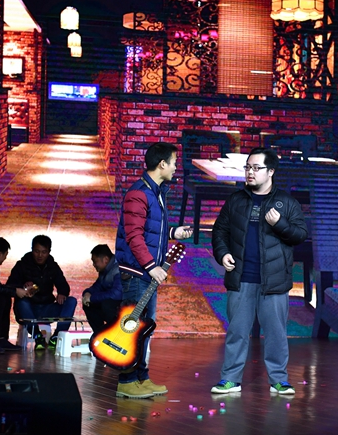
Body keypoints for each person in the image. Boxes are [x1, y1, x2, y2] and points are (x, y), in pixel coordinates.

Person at [210, 147, 308, 395]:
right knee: (237, 332)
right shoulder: (236, 200)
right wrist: (223, 254)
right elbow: (220, 231)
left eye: (256, 168)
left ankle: (279, 380)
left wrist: (279, 223)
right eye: (247, 167)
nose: (250, 172)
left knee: (276, 334)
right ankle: (230, 379)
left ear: (271, 171)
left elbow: (300, 235)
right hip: (241, 277)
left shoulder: (287, 203)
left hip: (274, 280)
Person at [115, 142, 193, 399]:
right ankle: (127, 381)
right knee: (132, 328)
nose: (175, 168)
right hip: (137, 272)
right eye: (173, 163)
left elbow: (151, 229)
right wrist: (152, 267)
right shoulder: (139, 194)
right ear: (162, 164)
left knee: (145, 328)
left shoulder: (155, 192)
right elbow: (134, 236)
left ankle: (141, 377)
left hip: (145, 273)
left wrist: (173, 232)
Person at [6, 234, 76, 350]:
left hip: (47, 307)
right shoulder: (21, 265)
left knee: (71, 301)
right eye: (37, 251)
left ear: (49, 252)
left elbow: (63, 285)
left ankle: (57, 336)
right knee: (22, 303)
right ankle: (37, 336)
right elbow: (10, 286)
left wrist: (62, 293)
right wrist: (23, 286)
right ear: (32, 250)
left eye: (43, 252)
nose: (40, 255)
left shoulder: (53, 266)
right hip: (28, 308)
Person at [82, 244, 123, 334]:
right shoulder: (105, 270)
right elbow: (97, 286)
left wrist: (92, 298)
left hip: (124, 305)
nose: (93, 265)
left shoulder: (118, 269)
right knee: (88, 305)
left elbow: (116, 295)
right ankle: (99, 334)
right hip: (113, 304)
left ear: (106, 260)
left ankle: (115, 333)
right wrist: (87, 293)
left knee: (107, 304)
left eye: (95, 261)